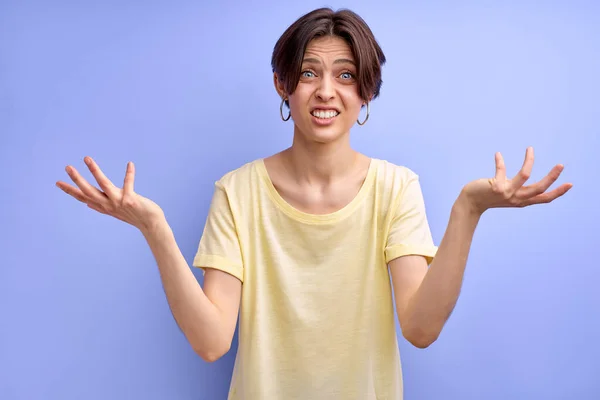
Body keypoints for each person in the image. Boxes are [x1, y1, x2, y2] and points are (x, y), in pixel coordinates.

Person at [56, 7, 572, 400]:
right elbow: (212, 340)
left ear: (366, 91)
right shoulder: (237, 192)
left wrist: (468, 210)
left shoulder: (396, 188)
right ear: (283, 85)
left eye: (346, 75)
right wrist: (155, 229)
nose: (326, 91)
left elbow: (419, 328)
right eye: (309, 73)